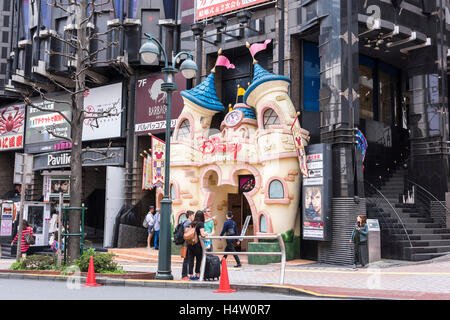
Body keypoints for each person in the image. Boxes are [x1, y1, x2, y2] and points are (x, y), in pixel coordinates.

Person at [187, 210, 209, 280]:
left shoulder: (192, 223)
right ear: (202, 216)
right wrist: (206, 233)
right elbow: (202, 234)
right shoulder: (201, 224)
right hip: (197, 244)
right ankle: (197, 274)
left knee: (191, 259)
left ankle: (191, 275)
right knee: (198, 259)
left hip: (190, 243)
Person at [181, 210, 195, 280]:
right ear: (189, 216)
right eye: (193, 215)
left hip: (186, 243)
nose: (193, 217)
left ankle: (185, 275)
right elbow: (187, 233)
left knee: (186, 259)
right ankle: (184, 275)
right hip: (187, 243)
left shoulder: (186, 222)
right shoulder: (188, 222)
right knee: (186, 259)